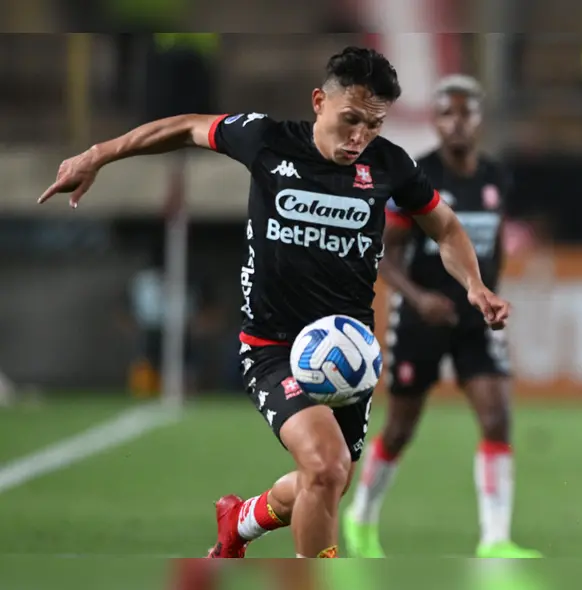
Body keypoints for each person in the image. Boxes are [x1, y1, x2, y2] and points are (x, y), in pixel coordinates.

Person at [38, 46, 511, 559]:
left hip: (348, 356)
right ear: (318, 102)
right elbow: (184, 127)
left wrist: (474, 285)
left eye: (373, 125)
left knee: (329, 481)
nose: (359, 138)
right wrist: (98, 155)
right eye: (350, 120)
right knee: (326, 469)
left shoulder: (390, 164)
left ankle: (241, 520)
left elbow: (443, 226)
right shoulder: (265, 139)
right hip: (274, 348)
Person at [343, 75, 540, 559]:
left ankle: (495, 540)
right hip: (420, 318)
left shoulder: (495, 176)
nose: (456, 122)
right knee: (401, 428)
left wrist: (488, 292)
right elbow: (384, 255)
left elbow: (488, 249)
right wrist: (417, 298)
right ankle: (361, 516)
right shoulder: (417, 176)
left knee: (496, 417)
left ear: (479, 119)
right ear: (435, 120)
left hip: (475, 319)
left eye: (465, 113)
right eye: (446, 114)